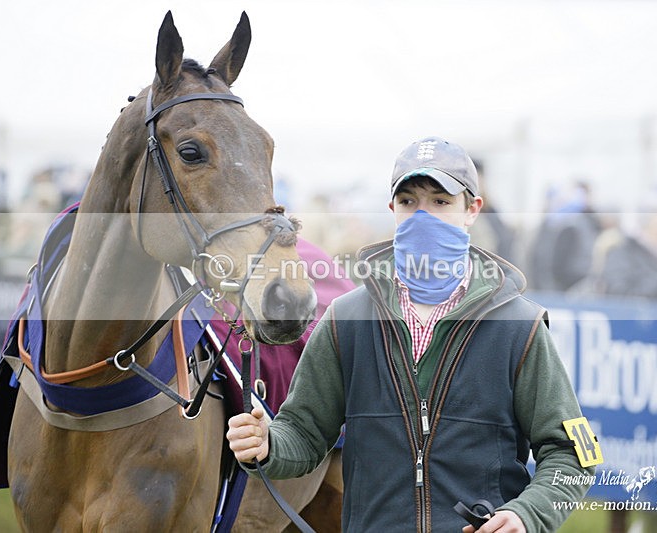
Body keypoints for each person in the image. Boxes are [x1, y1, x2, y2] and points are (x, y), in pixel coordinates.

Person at [227, 137, 594, 532]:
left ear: (472, 209)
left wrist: (526, 514)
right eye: (408, 201)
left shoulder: (519, 326)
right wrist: (268, 444)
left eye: (440, 201)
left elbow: (574, 455)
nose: (423, 215)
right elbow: (304, 431)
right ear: (393, 210)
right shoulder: (345, 320)